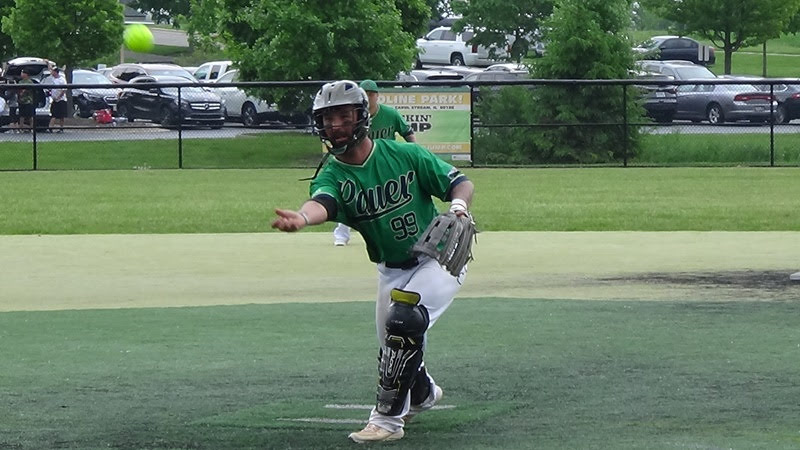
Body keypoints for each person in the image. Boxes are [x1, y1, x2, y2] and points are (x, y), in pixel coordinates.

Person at [271, 80, 474, 443]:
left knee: (404, 320)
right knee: (394, 347)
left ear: (362, 117)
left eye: (343, 116)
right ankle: (423, 393)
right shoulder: (333, 174)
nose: (335, 126)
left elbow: (459, 182)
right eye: (328, 119)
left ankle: (386, 422)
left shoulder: (404, 155)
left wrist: (458, 206)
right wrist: (302, 218)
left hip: (438, 257)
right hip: (391, 270)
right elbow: (323, 202)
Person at [333, 79, 416, 246]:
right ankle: (341, 235)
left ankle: (397, 232)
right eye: (365, 94)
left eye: (371, 94)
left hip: (386, 163)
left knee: (395, 198)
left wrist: (414, 152)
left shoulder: (390, 114)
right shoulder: (354, 118)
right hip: (359, 163)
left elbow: (407, 132)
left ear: (377, 96)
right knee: (350, 196)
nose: (369, 97)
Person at [47, 65, 67, 133]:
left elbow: (64, 90)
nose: (52, 72)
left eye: (53, 71)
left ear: (56, 72)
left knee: (61, 115)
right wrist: (48, 63)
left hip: (61, 100)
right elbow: (49, 69)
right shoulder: (53, 78)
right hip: (54, 100)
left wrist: (58, 97)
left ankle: (61, 128)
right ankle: (50, 127)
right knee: (53, 114)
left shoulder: (62, 79)